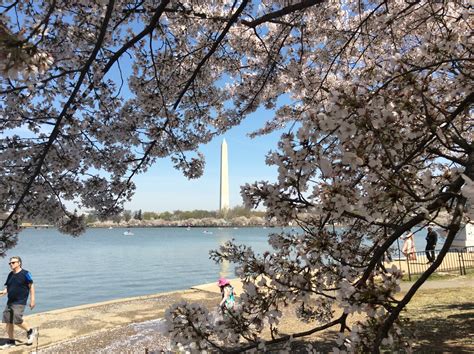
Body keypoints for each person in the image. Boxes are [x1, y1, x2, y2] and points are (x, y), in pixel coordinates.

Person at [0, 256, 37, 348]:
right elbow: (8, 287)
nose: (11, 264)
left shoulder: (26, 273)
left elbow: (31, 286)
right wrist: (3, 292)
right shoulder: (10, 274)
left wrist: (32, 300)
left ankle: (30, 331)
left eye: (13, 262)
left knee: (17, 319)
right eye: (10, 263)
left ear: (19, 263)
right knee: (8, 322)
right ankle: (11, 342)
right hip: (10, 301)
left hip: (20, 301)